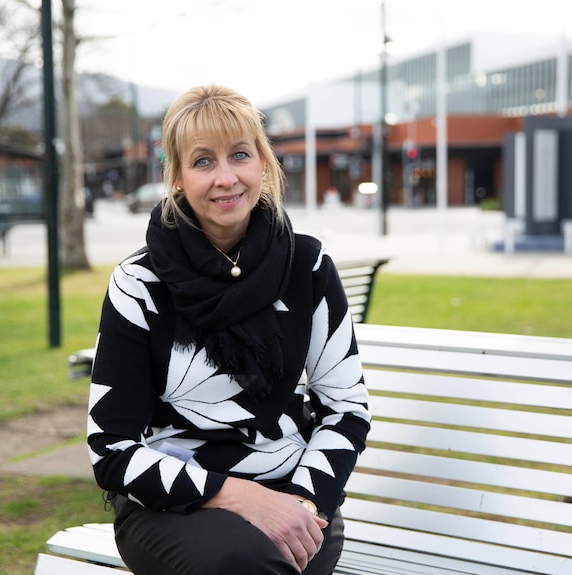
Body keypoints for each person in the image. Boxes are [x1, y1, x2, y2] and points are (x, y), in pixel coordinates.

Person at [86, 85, 371, 575]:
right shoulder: (140, 283)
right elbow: (111, 449)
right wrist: (238, 496)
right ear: (176, 177)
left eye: (240, 155)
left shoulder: (307, 267)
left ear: (263, 162)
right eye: (202, 162)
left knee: (263, 557)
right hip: (171, 506)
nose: (225, 178)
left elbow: (346, 410)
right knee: (242, 562)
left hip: (296, 497)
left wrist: (302, 504)